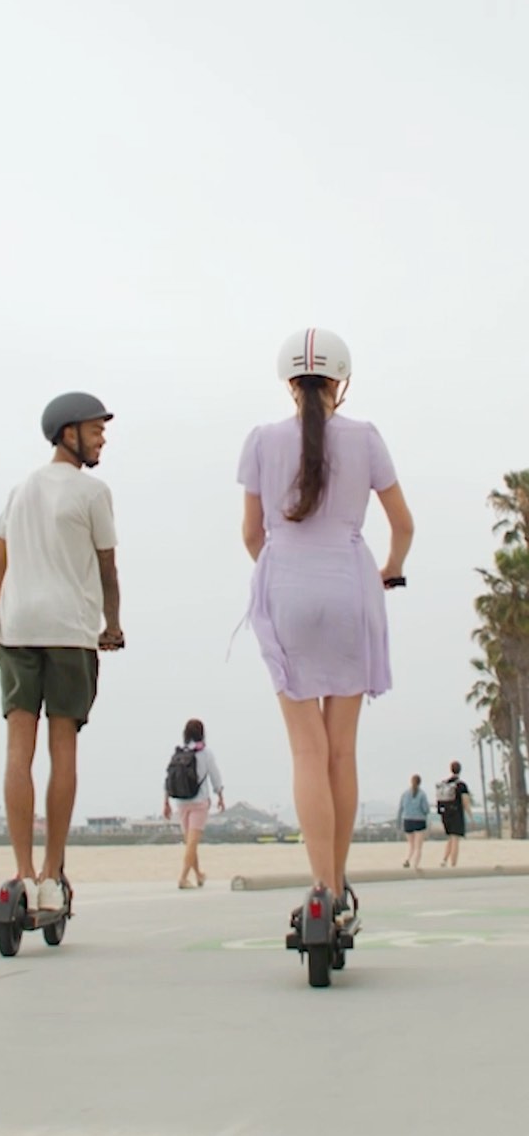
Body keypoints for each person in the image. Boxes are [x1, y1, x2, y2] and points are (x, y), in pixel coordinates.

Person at [237, 327, 414, 921]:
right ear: (343, 381)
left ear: (288, 382)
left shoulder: (262, 440)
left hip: (286, 589)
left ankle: (317, 887)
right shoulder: (366, 437)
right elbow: (403, 524)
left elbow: (251, 535)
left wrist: (283, 575)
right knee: (342, 752)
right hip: (349, 588)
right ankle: (337, 893)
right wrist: (391, 569)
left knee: (306, 753)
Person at [0, 391, 124, 913]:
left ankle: (21, 872)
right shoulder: (93, 492)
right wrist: (112, 625)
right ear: (69, 433)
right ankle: (50, 875)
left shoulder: (20, 490)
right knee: (62, 747)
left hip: (17, 629)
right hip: (69, 631)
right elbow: (107, 567)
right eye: (96, 430)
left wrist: (12, 611)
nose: (102, 439)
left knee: (17, 749)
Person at [163, 719, 225, 889]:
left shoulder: (179, 753)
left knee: (190, 842)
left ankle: (198, 875)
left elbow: (169, 779)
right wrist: (220, 795)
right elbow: (215, 776)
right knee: (192, 842)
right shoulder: (205, 753)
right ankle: (183, 878)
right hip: (199, 802)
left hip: (181, 802)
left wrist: (166, 802)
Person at [438, 760, 473, 867]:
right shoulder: (461, 785)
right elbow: (465, 802)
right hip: (456, 814)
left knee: (451, 838)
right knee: (455, 840)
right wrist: (470, 816)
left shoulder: (444, 784)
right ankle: (453, 864)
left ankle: (444, 860)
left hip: (445, 814)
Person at [397, 774, 430, 870]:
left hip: (407, 821)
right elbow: (426, 809)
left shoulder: (405, 794)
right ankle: (416, 865)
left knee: (411, 845)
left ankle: (407, 859)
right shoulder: (422, 794)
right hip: (419, 821)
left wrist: (399, 823)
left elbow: (400, 809)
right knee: (418, 847)